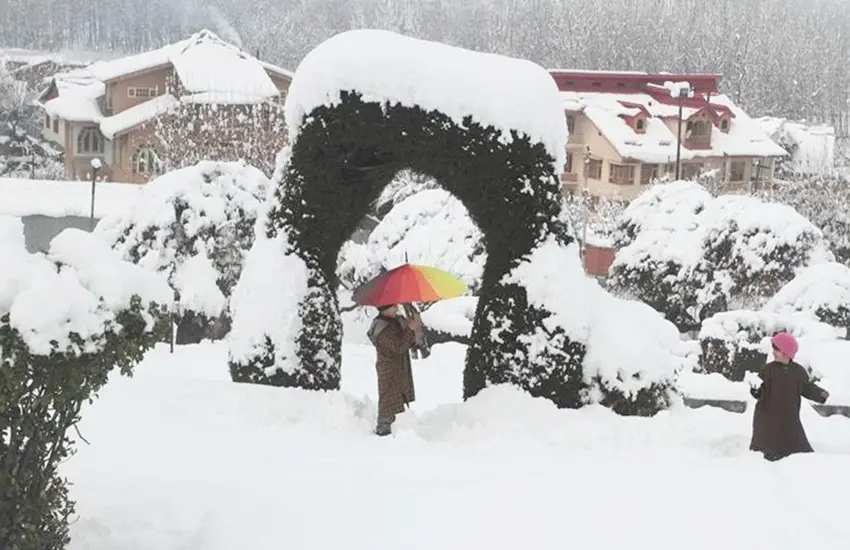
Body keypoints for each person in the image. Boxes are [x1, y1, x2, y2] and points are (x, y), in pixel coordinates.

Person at [749, 332, 829, 461]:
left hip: (789, 415)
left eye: (777, 349)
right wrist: (755, 390)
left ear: (786, 352)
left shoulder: (798, 372)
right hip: (768, 415)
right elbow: (760, 389)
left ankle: (797, 458)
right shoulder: (768, 370)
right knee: (768, 441)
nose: (773, 352)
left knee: (794, 440)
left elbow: (806, 388)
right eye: (773, 349)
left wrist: (820, 394)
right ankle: (767, 456)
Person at [367, 303, 423, 436]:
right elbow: (398, 346)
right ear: (384, 309)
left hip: (399, 366)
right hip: (388, 368)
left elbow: (405, 340)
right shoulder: (381, 329)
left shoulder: (394, 321)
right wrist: (409, 330)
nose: (396, 309)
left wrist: (412, 330)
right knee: (388, 398)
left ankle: (398, 426)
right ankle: (384, 427)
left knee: (398, 397)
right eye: (393, 307)